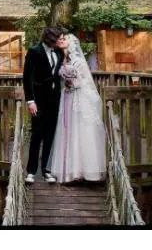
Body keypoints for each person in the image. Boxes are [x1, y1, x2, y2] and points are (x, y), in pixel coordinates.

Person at [46, 33, 107, 183]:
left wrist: (74, 83)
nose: (61, 40)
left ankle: (85, 171)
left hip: (79, 97)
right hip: (66, 96)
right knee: (67, 130)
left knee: (80, 130)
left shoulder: (78, 60)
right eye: (60, 39)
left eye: (64, 39)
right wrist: (65, 84)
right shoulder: (61, 59)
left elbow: (84, 79)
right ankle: (69, 172)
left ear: (71, 43)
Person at [22, 26, 67, 184]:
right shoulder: (34, 51)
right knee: (37, 134)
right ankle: (31, 171)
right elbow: (27, 77)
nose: (61, 41)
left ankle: (46, 170)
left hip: (54, 99)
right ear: (51, 39)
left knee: (50, 135)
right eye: (59, 38)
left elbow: (57, 73)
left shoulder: (59, 52)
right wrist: (30, 100)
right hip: (38, 100)